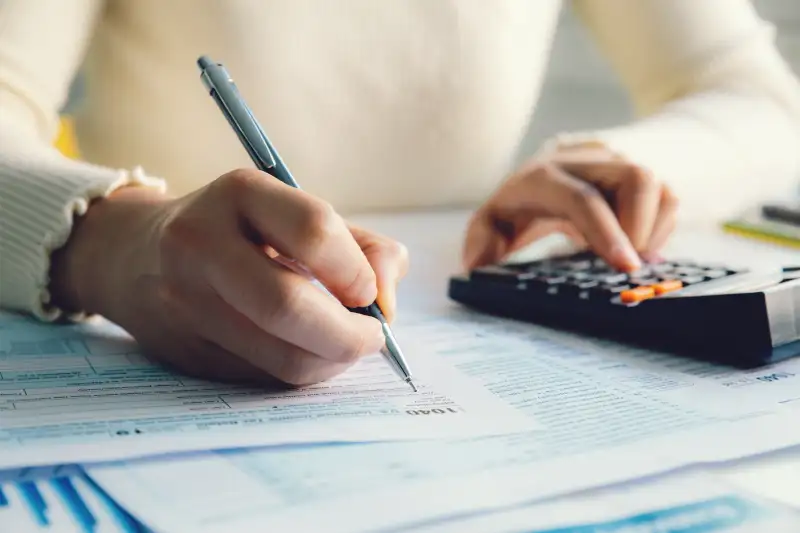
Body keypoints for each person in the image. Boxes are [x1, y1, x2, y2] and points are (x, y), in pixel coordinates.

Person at [1, 1, 799, 386]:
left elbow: (760, 99)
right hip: (130, 328)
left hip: (467, 303)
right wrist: (110, 241)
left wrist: (618, 161)